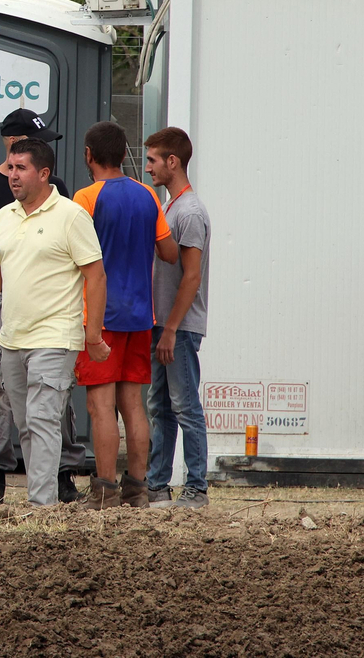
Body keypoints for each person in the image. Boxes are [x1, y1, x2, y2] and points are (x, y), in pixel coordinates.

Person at [0, 139, 106, 507]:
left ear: (43, 173)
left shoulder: (71, 215)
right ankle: (42, 501)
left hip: (55, 337)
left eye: (21, 168)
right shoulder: (4, 216)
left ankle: (42, 507)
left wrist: (92, 334)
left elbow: (96, 275)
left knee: (42, 420)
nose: (12, 175)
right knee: (26, 424)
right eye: (10, 167)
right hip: (11, 340)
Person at [72, 121, 177, 509]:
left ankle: (104, 491)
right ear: (123, 154)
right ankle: (137, 489)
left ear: (89, 155)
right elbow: (169, 253)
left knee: (100, 406)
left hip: (99, 317)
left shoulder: (85, 198)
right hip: (140, 315)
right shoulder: (148, 194)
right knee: (133, 404)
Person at [143, 126, 212, 509]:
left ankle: (196, 489)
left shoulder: (189, 212)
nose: (148, 167)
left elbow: (192, 276)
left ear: (173, 161)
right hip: (164, 326)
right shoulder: (170, 207)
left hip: (178, 329)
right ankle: (157, 486)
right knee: (161, 406)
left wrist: (170, 328)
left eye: (153, 160)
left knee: (185, 406)